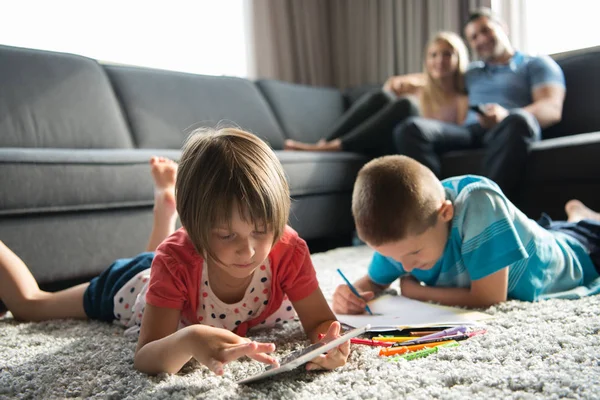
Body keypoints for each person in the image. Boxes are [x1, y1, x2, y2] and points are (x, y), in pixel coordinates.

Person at [0, 128, 350, 376]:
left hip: (177, 265)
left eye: (261, 230)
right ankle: (165, 209)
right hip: (136, 281)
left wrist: (329, 343)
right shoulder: (175, 261)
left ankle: (164, 206)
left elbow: (321, 322)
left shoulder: (288, 248)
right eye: (227, 235)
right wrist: (190, 338)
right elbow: (147, 357)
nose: (249, 249)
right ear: (196, 228)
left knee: (164, 260)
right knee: (31, 304)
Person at [332, 155, 600, 313]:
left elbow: (490, 298)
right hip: (538, 234)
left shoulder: (479, 202)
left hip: (580, 252)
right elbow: (374, 282)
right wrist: (351, 294)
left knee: (582, 231)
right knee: (558, 227)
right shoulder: (402, 238)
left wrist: (417, 293)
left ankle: (583, 218)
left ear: (446, 213)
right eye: (391, 257)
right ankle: (577, 215)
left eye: (414, 253)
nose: (405, 266)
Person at [393, 8, 566, 200]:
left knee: (520, 120)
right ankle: (436, 202)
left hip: (509, 128)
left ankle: (482, 205)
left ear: (503, 27)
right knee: (410, 128)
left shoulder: (536, 64)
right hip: (469, 131)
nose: (481, 39)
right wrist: (405, 81)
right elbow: (437, 75)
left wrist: (504, 116)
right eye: (474, 37)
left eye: (486, 31)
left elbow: (551, 108)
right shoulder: (472, 72)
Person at [283, 31, 470, 158]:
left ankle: (330, 147)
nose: (440, 60)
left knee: (408, 105)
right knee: (383, 97)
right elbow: (386, 92)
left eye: (447, 54)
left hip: (411, 142)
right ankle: (325, 142)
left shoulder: (461, 97)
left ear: (458, 58)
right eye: (434, 55)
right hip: (384, 137)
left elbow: (457, 134)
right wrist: (401, 84)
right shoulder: (419, 83)